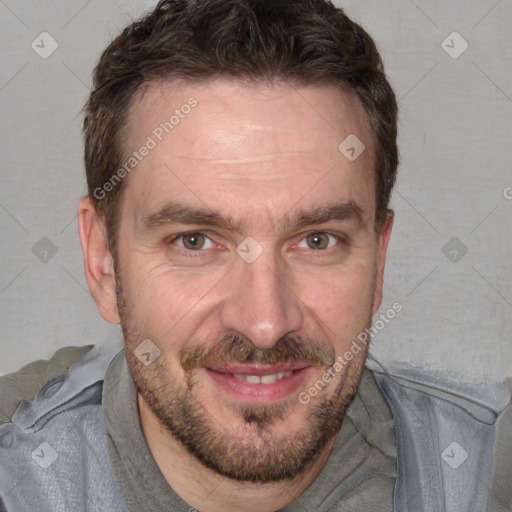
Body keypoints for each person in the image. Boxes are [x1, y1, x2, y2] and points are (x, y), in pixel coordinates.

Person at [0, 1, 510, 511]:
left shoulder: (486, 473)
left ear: (378, 258)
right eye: (195, 241)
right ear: (103, 262)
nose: (265, 323)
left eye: (317, 240)